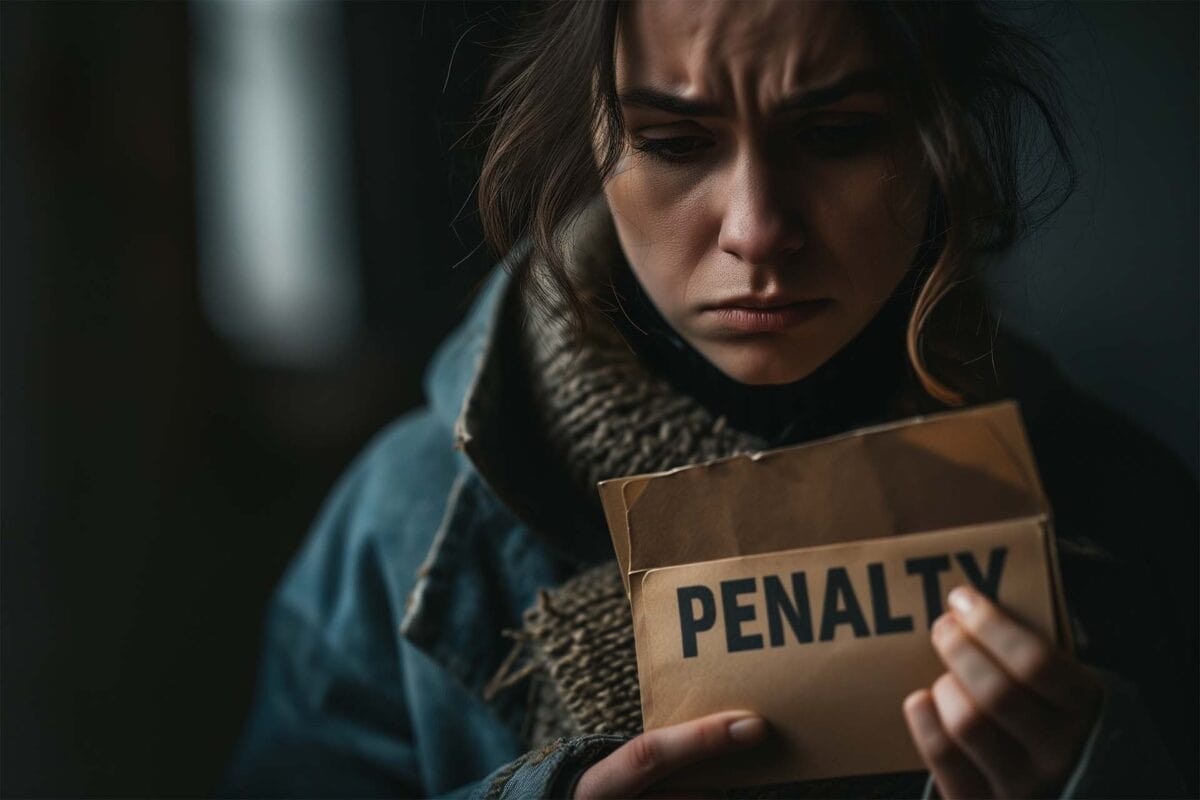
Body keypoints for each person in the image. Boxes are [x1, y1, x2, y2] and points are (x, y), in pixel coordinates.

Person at [223, 2, 1198, 798]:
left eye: (837, 134)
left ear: (940, 138)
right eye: (675, 140)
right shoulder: (408, 525)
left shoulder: (1116, 497)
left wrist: (1102, 774)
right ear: (591, 146)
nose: (758, 229)